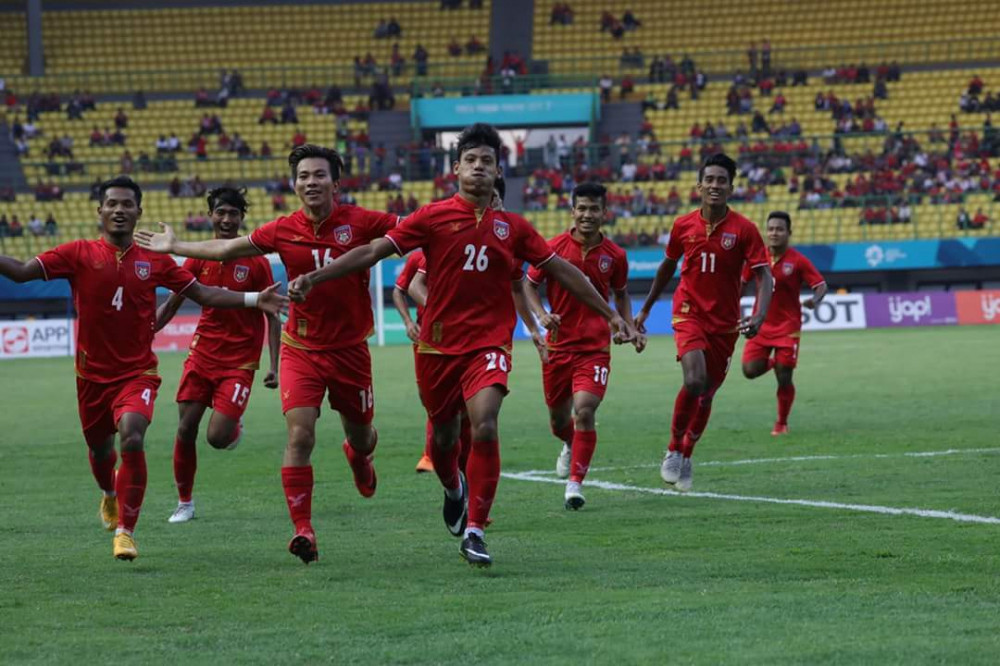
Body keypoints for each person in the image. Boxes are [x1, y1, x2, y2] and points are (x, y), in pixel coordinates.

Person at [286, 124, 634, 567]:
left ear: (496, 171)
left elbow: (567, 274)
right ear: (457, 169)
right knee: (446, 440)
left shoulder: (515, 228)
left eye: (487, 161)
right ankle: (453, 489)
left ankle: (476, 530)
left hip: (488, 344)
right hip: (437, 349)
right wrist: (316, 276)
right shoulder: (431, 217)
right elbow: (374, 251)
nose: (478, 168)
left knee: (485, 423)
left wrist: (612, 315)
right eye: (471, 160)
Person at [136, 145, 400, 565]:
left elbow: (414, 230)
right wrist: (176, 244)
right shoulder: (282, 229)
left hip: (351, 350)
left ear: (336, 181)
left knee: (362, 435)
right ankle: (303, 530)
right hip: (302, 348)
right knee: (300, 436)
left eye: (318, 175)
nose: (310, 182)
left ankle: (359, 455)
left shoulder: (364, 221)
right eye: (302, 176)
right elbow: (225, 249)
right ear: (294, 185)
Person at [0, 176, 286, 561]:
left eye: (127, 204)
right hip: (91, 378)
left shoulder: (156, 261)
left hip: (138, 373)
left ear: (139, 212)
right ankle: (108, 494)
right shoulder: (76, 253)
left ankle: (126, 533)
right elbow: (19, 272)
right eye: (112, 203)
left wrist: (254, 299)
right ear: (99, 210)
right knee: (101, 453)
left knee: (132, 435)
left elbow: (201, 294)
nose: (119, 210)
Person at [636, 153, 773, 491]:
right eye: (709, 179)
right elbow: (667, 269)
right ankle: (671, 448)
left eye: (721, 180)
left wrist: (758, 315)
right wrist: (646, 309)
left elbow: (764, 276)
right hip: (688, 311)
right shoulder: (683, 225)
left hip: (725, 324)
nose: (714, 185)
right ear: (698, 185)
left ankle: (686, 452)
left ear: (731, 187)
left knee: (707, 393)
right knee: (695, 380)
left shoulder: (744, 229)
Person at [397, 179, 546, 477]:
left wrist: (535, 330)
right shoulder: (446, 234)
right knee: (442, 413)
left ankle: (474, 505)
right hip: (438, 338)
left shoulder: (509, 240)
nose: (492, 206)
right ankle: (449, 475)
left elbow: (518, 289)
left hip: (487, 341)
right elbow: (411, 285)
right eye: (490, 200)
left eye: (496, 201)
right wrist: (420, 319)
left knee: (481, 419)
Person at [154, 187, 282, 523]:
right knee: (185, 429)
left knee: (217, 438)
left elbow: (271, 313)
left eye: (233, 214)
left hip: (239, 362)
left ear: (242, 219)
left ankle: (233, 427)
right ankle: (185, 503)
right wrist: (146, 330)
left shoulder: (256, 263)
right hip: (202, 354)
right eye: (220, 212)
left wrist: (274, 366)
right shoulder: (197, 259)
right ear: (210, 215)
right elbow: (172, 304)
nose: (226, 219)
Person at [523, 182, 645, 509]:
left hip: (594, 349)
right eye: (582, 208)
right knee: (558, 421)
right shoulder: (552, 248)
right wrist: (541, 314)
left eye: (594, 209)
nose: (588, 215)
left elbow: (620, 295)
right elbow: (528, 285)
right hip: (558, 347)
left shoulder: (616, 256)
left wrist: (627, 327)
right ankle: (568, 443)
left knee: (585, 410)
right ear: (572, 211)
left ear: (605, 213)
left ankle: (575, 484)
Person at [740, 212, 826, 435]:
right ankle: (775, 362)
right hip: (760, 323)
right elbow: (741, 283)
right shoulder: (757, 258)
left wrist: (814, 300)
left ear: (789, 233)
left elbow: (820, 285)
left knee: (784, 376)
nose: (774, 233)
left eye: (779, 229)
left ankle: (781, 422)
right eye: (770, 229)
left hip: (788, 327)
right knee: (749, 370)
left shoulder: (798, 260)